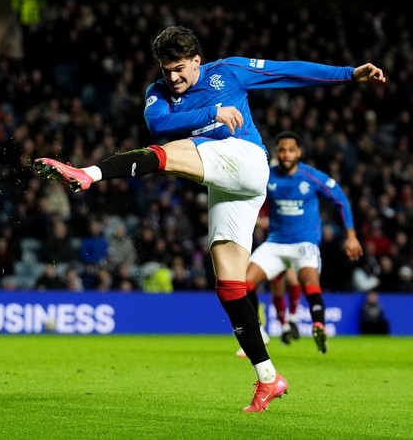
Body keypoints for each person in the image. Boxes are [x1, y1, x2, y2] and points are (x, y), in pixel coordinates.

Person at [33, 25, 385, 412]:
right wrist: (213, 111)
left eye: (181, 68)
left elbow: (288, 70)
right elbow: (159, 125)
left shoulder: (229, 71)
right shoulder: (157, 94)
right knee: (229, 284)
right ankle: (269, 378)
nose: (174, 77)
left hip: (247, 160)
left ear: (198, 61)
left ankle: (88, 174)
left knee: (165, 155)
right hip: (224, 181)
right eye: (167, 70)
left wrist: (349, 73)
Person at [244, 130, 363, 355]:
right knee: (245, 283)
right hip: (275, 243)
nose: (286, 154)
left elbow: (341, 200)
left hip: (304, 243)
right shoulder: (268, 176)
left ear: (299, 152)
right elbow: (249, 198)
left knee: (308, 278)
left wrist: (350, 235)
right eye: (282, 150)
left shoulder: (312, 176)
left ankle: (318, 325)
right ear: (277, 153)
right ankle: (257, 330)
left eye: (291, 150)